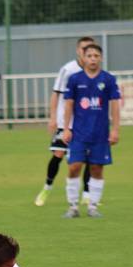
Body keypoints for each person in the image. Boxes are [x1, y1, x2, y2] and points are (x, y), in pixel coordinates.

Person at [34, 36, 95, 207]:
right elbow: (56, 94)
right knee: (58, 154)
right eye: (84, 49)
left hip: (84, 124)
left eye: (90, 50)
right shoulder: (68, 70)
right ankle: (47, 187)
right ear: (78, 51)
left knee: (88, 158)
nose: (87, 53)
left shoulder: (94, 72)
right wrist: (53, 118)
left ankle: (87, 195)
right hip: (64, 122)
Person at [61, 43, 121, 218]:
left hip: (100, 134)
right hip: (79, 133)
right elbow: (69, 105)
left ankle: (93, 206)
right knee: (74, 167)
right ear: (83, 58)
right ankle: (73, 206)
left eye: (96, 56)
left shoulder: (108, 79)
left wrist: (115, 130)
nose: (93, 59)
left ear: (101, 58)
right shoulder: (75, 80)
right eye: (90, 56)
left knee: (97, 169)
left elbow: (115, 105)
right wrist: (66, 129)